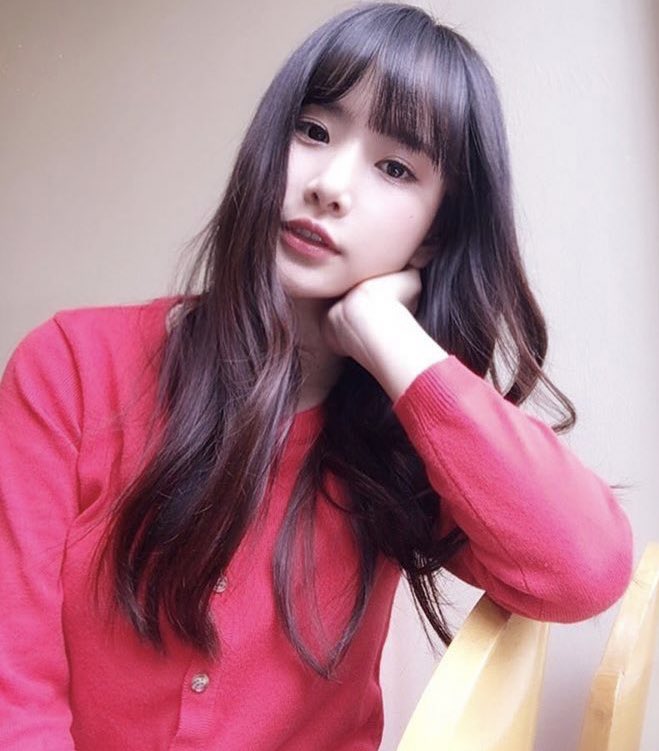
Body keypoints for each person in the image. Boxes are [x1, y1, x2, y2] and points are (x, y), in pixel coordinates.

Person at [0, 3, 633, 750]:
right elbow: (17, 695)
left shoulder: (407, 444)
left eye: (395, 168)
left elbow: (583, 571)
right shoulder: (71, 367)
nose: (330, 184)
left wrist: (392, 340)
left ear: (433, 235)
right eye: (312, 131)